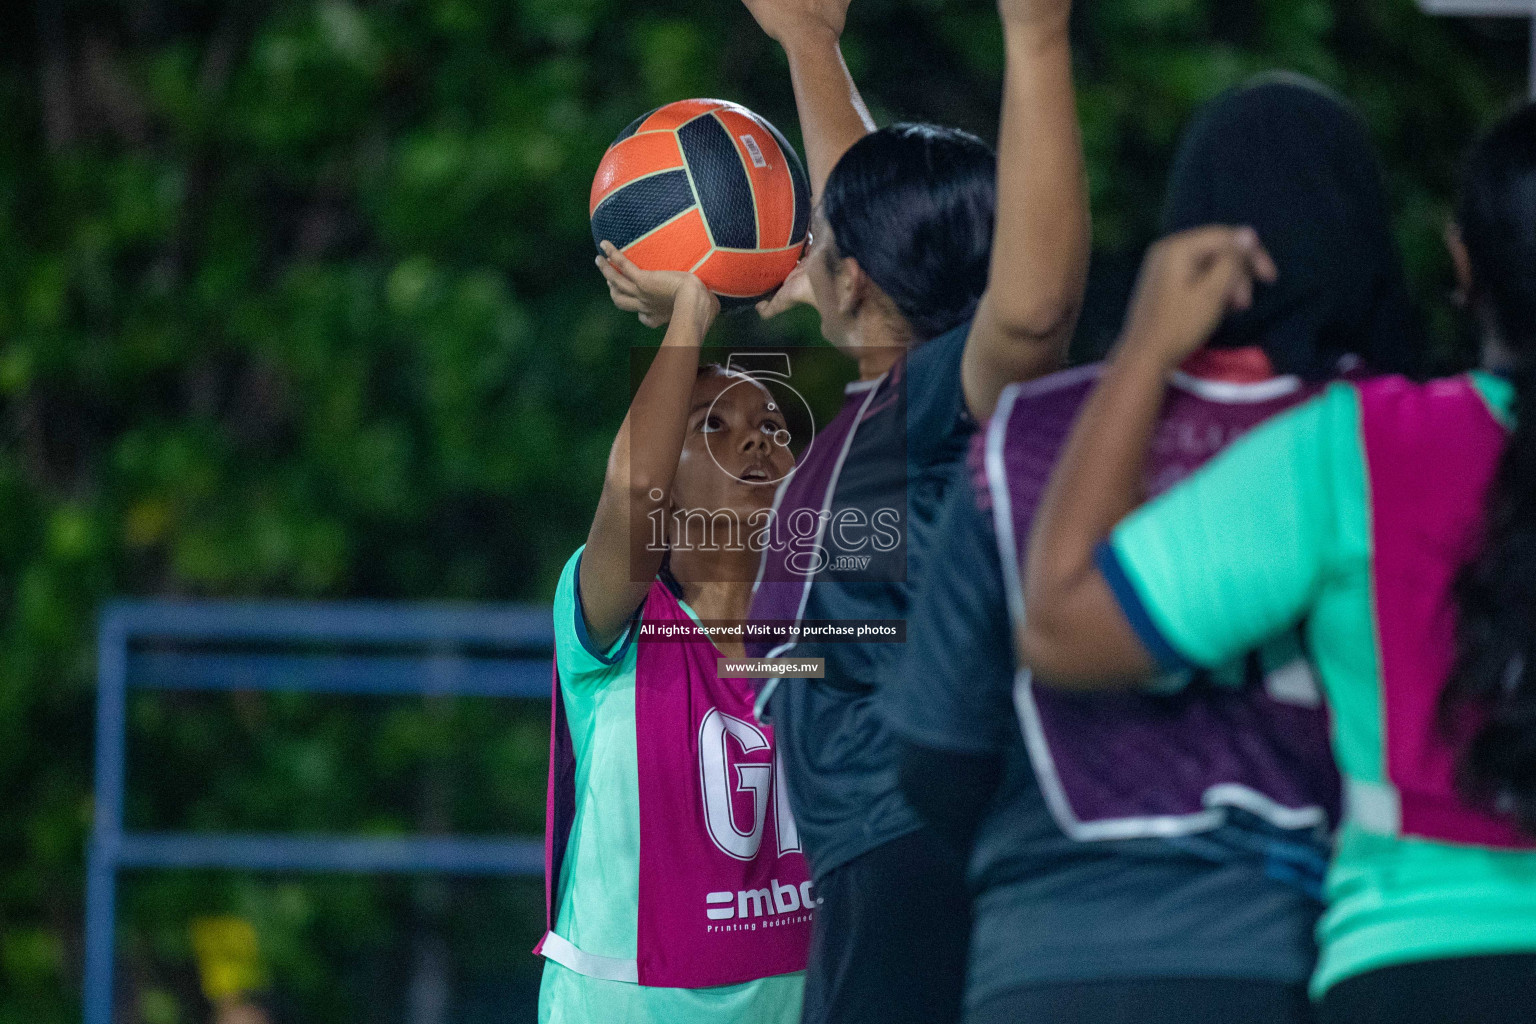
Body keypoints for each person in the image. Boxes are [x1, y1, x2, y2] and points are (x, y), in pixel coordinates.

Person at [886, 76, 1420, 1024]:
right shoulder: (1378, 438)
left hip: (1045, 954)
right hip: (1278, 954)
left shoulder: (1023, 438)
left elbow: (935, 753)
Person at [1020, 104, 1536, 1024]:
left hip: (1417, 968)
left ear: (1464, 262)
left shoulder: (1365, 448)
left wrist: (1144, 349)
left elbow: (1063, 626)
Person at [735, 0, 1089, 1019]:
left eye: (822, 241)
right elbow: (869, 212)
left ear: (851, 277)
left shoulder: (947, 399)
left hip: (911, 848)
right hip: (870, 856)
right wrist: (810, 44)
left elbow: (1032, 311)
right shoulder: (888, 403)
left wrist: (1037, 36)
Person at [535, 248, 810, 1023]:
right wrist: (691, 313)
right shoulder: (618, 626)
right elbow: (632, 490)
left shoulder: (833, 636)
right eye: (711, 425)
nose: (756, 440)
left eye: (774, 426)